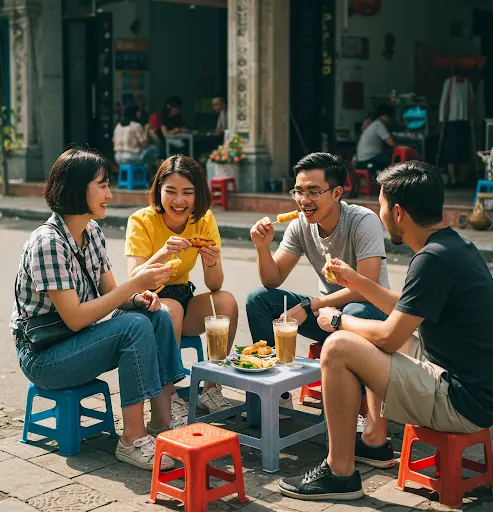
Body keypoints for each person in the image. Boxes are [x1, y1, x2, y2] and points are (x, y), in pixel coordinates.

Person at [278, 160, 493, 502]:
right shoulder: (449, 247)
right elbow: (404, 306)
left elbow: (390, 337)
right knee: (368, 334)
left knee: (340, 346)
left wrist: (338, 320)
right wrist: (355, 280)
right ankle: (373, 442)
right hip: (471, 386)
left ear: (398, 212)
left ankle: (339, 472)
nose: (380, 213)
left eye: (382, 205)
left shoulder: (432, 260)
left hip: (463, 402)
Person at [11, 148, 186, 471]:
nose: (109, 193)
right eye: (102, 185)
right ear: (78, 189)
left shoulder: (91, 232)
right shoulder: (48, 243)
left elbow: (111, 294)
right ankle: (132, 439)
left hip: (76, 343)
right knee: (132, 327)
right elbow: (76, 318)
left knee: (155, 316)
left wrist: (138, 298)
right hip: (44, 358)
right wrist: (134, 285)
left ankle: (162, 420)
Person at [247, 152, 389, 414]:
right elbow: (272, 279)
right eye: (298, 192)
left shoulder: (363, 220)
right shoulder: (300, 225)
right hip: (325, 316)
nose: (304, 201)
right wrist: (262, 248)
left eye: (313, 192)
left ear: (336, 193)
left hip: (370, 315)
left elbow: (366, 286)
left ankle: (354, 415)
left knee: (352, 312)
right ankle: (272, 399)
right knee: (258, 299)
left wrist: (311, 305)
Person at [125, 154, 238, 414]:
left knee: (226, 302)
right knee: (171, 309)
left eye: (188, 192)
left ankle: (211, 387)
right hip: (150, 302)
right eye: (171, 191)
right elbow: (133, 281)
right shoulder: (141, 221)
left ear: (199, 195)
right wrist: (162, 253)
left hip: (183, 298)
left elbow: (214, 284)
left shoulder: (204, 220)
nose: (179, 201)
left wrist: (211, 261)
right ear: (158, 191)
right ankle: (169, 398)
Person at [438, 68, 474, 186]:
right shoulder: (453, 83)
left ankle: (460, 179)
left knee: (460, 151)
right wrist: (442, 120)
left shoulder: (465, 83)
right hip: (454, 121)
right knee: (455, 151)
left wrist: (472, 119)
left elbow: (471, 102)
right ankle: (455, 178)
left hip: (459, 121)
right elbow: (445, 101)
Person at [355, 104, 396, 171]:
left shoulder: (374, 124)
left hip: (362, 160)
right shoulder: (378, 124)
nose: (390, 121)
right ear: (386, 116)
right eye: (390, 118)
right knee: (394, 158)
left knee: (387, 156)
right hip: (367, 161)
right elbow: (391, 143)